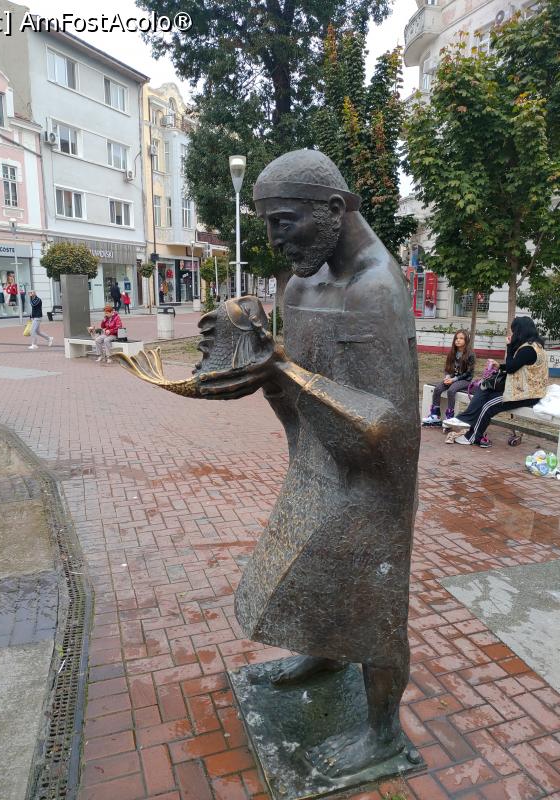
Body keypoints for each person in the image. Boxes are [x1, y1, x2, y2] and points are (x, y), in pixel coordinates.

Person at [191, 150, 419, 777]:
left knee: (374, 603)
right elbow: (303, 397)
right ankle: (327, 652)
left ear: (334, 209)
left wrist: (280, 369)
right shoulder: (301, 286)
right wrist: (259, 373)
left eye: (283, 221)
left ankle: (383, 734)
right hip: (319, 464)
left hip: (374, 484)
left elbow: (386, 429)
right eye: (267, 223)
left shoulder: (376, 290)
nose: (274, 239)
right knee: (304, 573)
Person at [444, 316, 548, 447]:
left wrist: (509, 347)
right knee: (485, 387)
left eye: (514, 331)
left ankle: (473, 436)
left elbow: (511, 368)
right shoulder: (534, 346)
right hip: (522, 390)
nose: (512, 334)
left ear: (520, 331)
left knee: (488, 405)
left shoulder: (528, 349)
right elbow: (516, 365)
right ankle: (464, 418)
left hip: (527, 394)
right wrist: (499, 366)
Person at [422, 329, 475, 426]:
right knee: (438, 389)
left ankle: (449, 417)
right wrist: (447, 377)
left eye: (461, 338)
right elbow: (447, 368)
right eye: (456, 338)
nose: (458, 340)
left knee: (451, 390)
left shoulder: (470, 354)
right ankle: (435, 416)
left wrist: (453, 380)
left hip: (465, 380)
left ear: (466, 340)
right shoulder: (452, 352)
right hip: (452, 378)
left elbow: (468, 373)